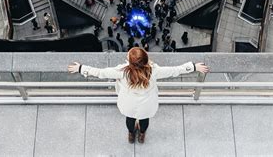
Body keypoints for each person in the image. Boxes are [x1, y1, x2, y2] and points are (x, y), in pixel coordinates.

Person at [68, 48, 209, 143]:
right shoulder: (154, 72)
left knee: (130, 118)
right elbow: (175, 70)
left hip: (128, 104)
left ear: (129, 62)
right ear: (147, 60)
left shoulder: (122, 72)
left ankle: (131, 134)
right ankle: (142, 134)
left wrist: (81, 68)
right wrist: (194, 67)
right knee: (144, 119)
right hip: (147, 105)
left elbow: (100, 72)